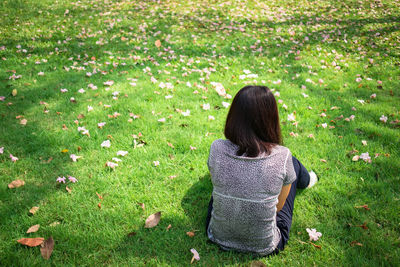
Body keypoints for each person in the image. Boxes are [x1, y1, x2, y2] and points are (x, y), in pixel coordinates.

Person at [205, 85, 318, 256]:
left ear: (234, 116)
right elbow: (278, 207)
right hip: (266, 245)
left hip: (216, 235)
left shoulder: (217, 148)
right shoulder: (283, 155)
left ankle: (305, 179)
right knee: (292, 164)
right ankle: (306, 180)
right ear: (271, 118)